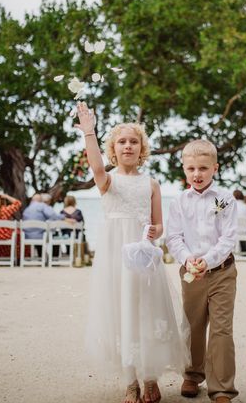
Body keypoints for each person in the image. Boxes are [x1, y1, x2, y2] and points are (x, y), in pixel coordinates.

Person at [75, 101, 188, 403]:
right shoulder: (108, 179)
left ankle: (150, 377)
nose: (128, 146)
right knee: (121, 309)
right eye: (122, 141)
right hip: (116, 253)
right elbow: (96, 166)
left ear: (142, 148)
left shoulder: (151, 183)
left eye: (133, 141)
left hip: (143, 255)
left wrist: (155, 231)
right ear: (113, 148)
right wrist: (89, 132)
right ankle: (130, 381)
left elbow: (160, 224)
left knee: (147, 310)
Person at [166, 139, 239, 403]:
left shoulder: (225, 199)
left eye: (203, 168)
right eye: (191, 169)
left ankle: (221, 388)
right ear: (184, 169)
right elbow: (173, 237)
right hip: (191, 273)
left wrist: (207, 260)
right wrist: (188, 260)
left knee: (221, 330)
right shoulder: (178, 202)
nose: (197, 174)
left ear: (215, 168)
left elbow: (228, 237)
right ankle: (192, 374)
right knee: (193, 325)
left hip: (222, 272)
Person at [0, 192, 21, 258]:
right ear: (4, 202)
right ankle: (15, 257)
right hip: (7, 236)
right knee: (19, 237)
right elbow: (18, 203)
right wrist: (7, 196)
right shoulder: (6, 210)